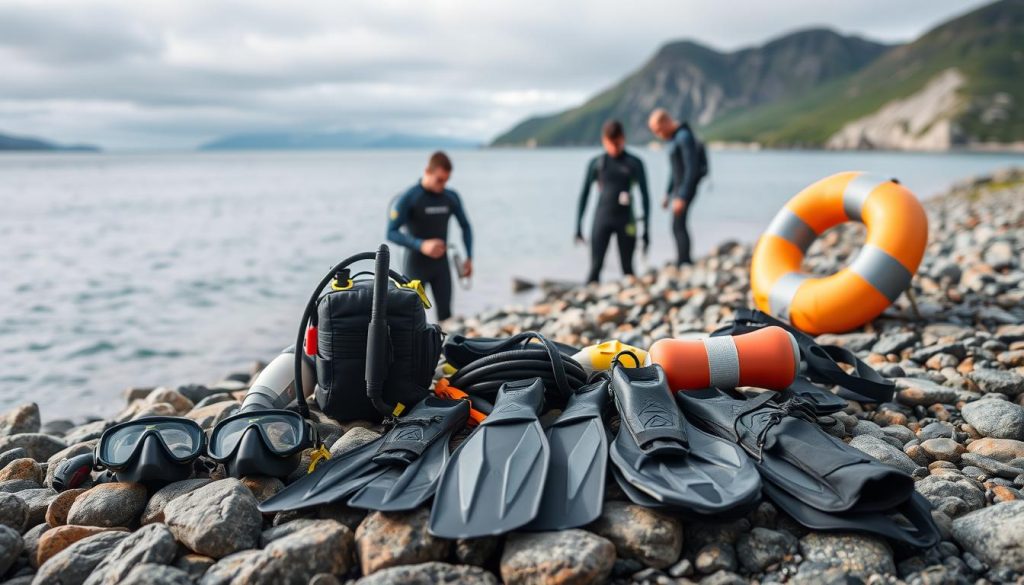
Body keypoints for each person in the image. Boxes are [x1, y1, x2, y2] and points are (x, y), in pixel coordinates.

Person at [386, 151, 473, 321]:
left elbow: (466, 226)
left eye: (446, 180)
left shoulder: (450, 197)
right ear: (427, 171)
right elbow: (391, 232)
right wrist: (421, 245)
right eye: (439, 180)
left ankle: (442, 347)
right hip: (415, 265)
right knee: (411, 317)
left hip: (441, 266)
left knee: (446, 317)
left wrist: (469, 257)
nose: (443, 185)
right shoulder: (409, 198)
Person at [575, 120, 650, 283]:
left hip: (627, 221)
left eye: (617, 143)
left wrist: (646, 230)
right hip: (602, 218)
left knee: (628, 268)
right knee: (595, 267)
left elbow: (645, 196)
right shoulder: (596, 163)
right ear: (604, 140)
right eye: (610, 144)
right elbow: (584, 194)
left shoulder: (634, 163)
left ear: (623, 138)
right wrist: (578, 226)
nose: (614, 148)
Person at [648, 108, 706, 266]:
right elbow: (675, 171)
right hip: (679, 189)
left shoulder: (684, 137)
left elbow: (691, 168)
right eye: (655, 132)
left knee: (678, 224)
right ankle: (683, 259)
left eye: (658, 130)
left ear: (666, 122)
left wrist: (682, 196)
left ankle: (684, 261)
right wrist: (668, 193)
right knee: (678, 225)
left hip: (686, 189)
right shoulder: (674, 139)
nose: (658, 135)